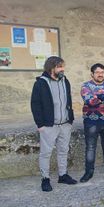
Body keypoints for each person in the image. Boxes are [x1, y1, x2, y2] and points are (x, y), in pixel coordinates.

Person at [31, 56, 77, 192]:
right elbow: (35, 104)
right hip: (49, 125)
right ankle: (45, 179)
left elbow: (68, 100)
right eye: (60, 67)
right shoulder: (41, 83)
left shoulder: (65, 81)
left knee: (63, 150)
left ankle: (62, 175)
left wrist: (70, 120)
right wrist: (40, 125)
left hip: (65, 124)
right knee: (46, 153)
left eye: (63, 66)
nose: (62, 69)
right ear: (52, 68)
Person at [80, 63, 104, 182]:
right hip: (91, 122)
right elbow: (89, 100)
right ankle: (89, 171)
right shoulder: (85, 85)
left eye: (102, 72)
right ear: (92, 74)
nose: (100, 74)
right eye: (97, 72)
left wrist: (98, 96)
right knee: (90, 147)